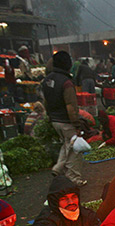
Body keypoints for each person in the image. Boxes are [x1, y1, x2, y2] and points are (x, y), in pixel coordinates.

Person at [42, 51, 88, 188]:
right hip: (66, 121)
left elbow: (45, 102)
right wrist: (77, 124)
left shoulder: (47, 80)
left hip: (55, 120)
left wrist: (50, 117)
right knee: (75, 150)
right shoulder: (66, 82)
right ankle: (74, 179)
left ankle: (58, 168)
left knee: (67, 144)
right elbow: (70, 106)